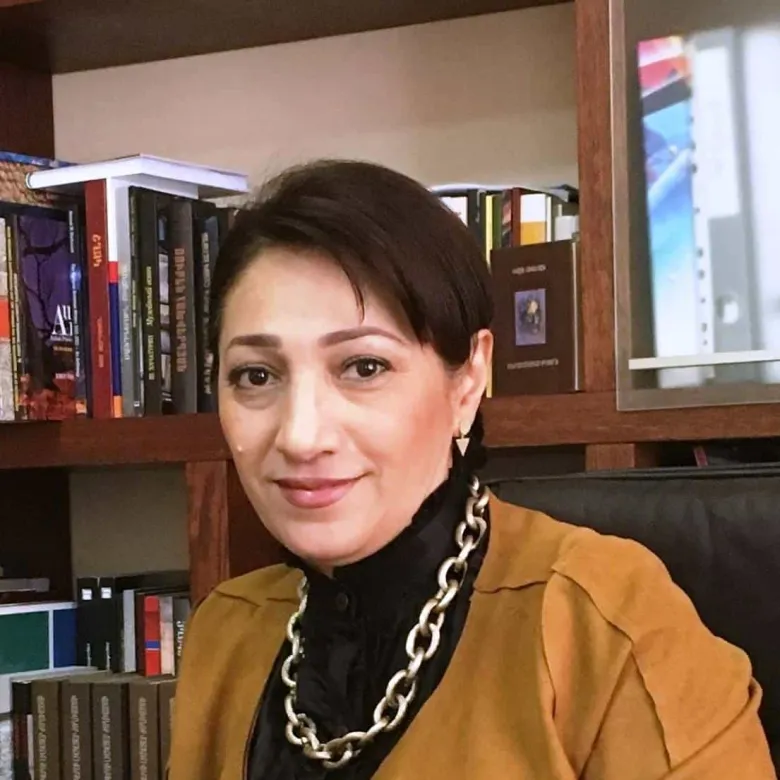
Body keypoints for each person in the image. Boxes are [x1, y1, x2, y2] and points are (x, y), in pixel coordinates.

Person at [166, 159, 775, 780]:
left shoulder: (608, 623)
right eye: (256, 375)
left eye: (364, 367)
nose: (301, 436)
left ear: (469, 380)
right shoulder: (225, 631)